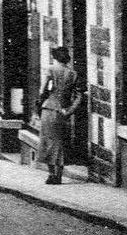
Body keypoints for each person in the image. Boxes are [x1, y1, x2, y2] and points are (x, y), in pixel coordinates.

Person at [39, 46, 84, 185]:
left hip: (49, 109)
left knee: (48, 142)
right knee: (60, 143)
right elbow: (79, 96)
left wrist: (40, 101)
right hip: (63, 111)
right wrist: (69, 110)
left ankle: (52, 174)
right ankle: (58, 174)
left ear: (55, 57)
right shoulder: (73, 74)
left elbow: (42, 91)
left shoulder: (51, 70)